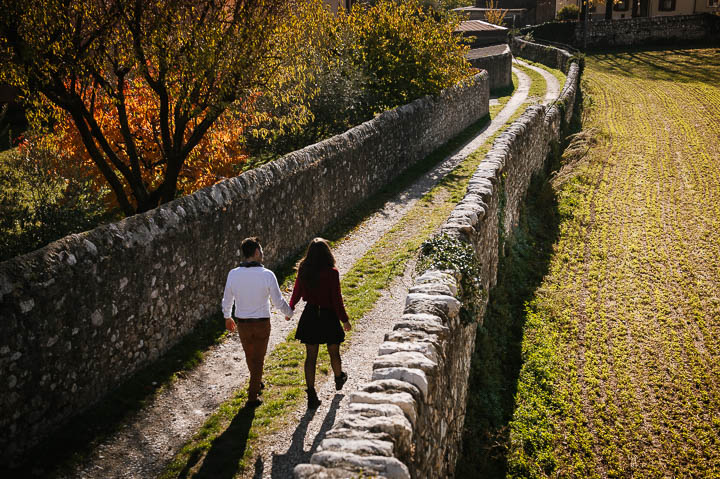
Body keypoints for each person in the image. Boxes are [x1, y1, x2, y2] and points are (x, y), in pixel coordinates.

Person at [222, 237, 294, 408]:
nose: (262, 253)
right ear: (255, 252)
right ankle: (252, 397)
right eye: (261, 250)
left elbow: (227, 298)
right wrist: (288, 313)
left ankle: (256, 380)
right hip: (262, 323)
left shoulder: (233, 274)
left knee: (250, 356)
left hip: (243, 323)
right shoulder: (267, 275)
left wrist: (227, 316)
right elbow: (278, 300)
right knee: (259, 359)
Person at [288, 237, 352, 409]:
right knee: (334, 351)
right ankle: (339, 377)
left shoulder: (304, 269)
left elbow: (297, 292)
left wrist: (291, 307)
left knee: (311, 357)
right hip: (329, 315)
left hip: (310, 315)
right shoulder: (332, 272)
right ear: (327, 253)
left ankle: (311, 394)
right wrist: (344, 320)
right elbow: (336, 299)